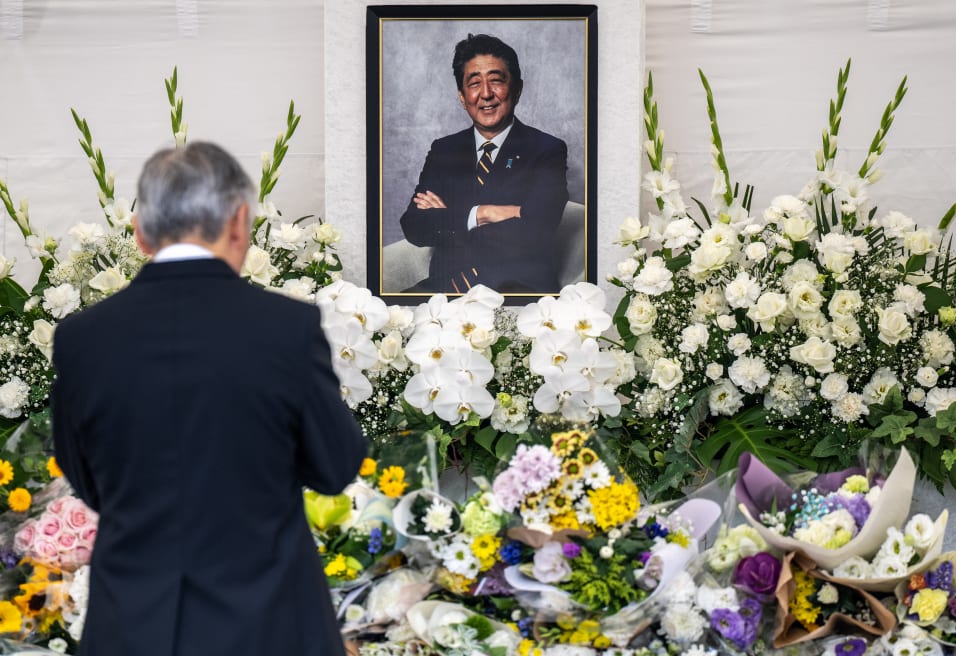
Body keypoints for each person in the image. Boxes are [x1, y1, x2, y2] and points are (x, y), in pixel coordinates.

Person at [50, 142, 368, 656]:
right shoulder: (287, 328)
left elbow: (85, 479)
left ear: (141, 231)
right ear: (239, 220)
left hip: (130, 626)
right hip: (270, 627)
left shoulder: (82, 337)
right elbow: (334, 466)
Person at [399, 33, 569, 294]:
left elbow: (538, 229)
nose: (486, 94)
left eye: (496, 81)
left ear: (517, 89)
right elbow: (414, 226)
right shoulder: (444, 150)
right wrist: (482, 213)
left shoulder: (547, 150)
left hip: (516, 292)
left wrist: (447, 218)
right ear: (462, 96)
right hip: (445, 290)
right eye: (475, 83)